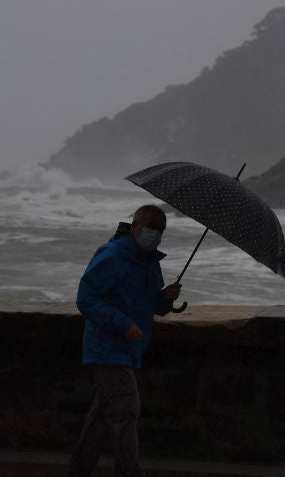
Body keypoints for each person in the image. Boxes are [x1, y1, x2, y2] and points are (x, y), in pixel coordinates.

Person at [67, 204, 182, 477]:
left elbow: (150, 305)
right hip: (107, 348)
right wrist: (122, 323)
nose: (154, 236)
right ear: (135, 227)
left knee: (99, 419)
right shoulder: (112, 255)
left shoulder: (150, 263)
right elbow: (86, 299)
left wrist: (166, 298)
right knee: (127, 410)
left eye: (160, 231)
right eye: (150, 229)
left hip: (129, 350)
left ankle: (79, 470)